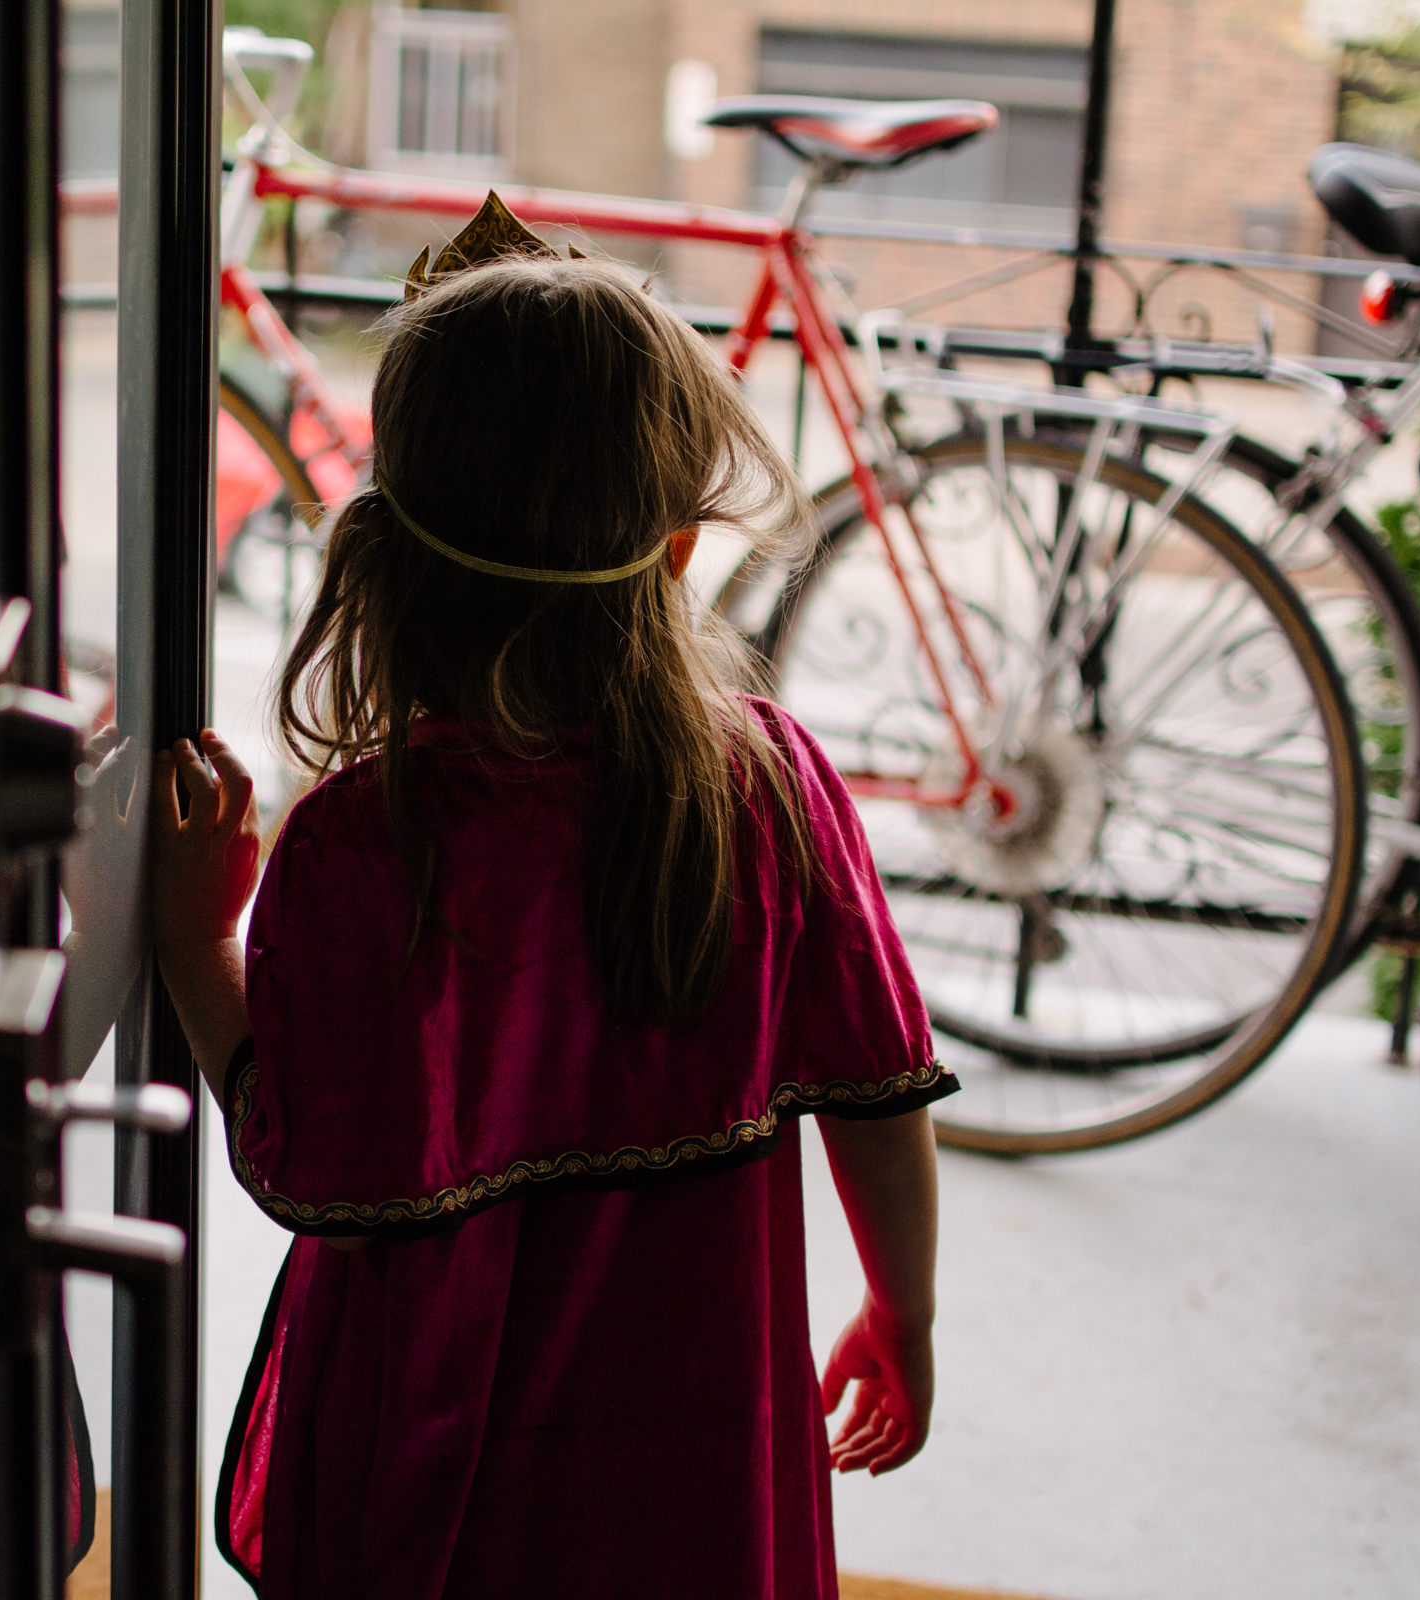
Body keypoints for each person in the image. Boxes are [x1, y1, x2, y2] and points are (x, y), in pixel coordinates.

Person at [148, 197, 950, 1600]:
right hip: (695, 1454)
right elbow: (880, 1100)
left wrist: (191, 932)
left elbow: (296, 1148)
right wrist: (905, 1310)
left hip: (439, 1475)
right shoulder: (773, 787)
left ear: (389, 544)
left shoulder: (362, 841)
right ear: (679, 546)